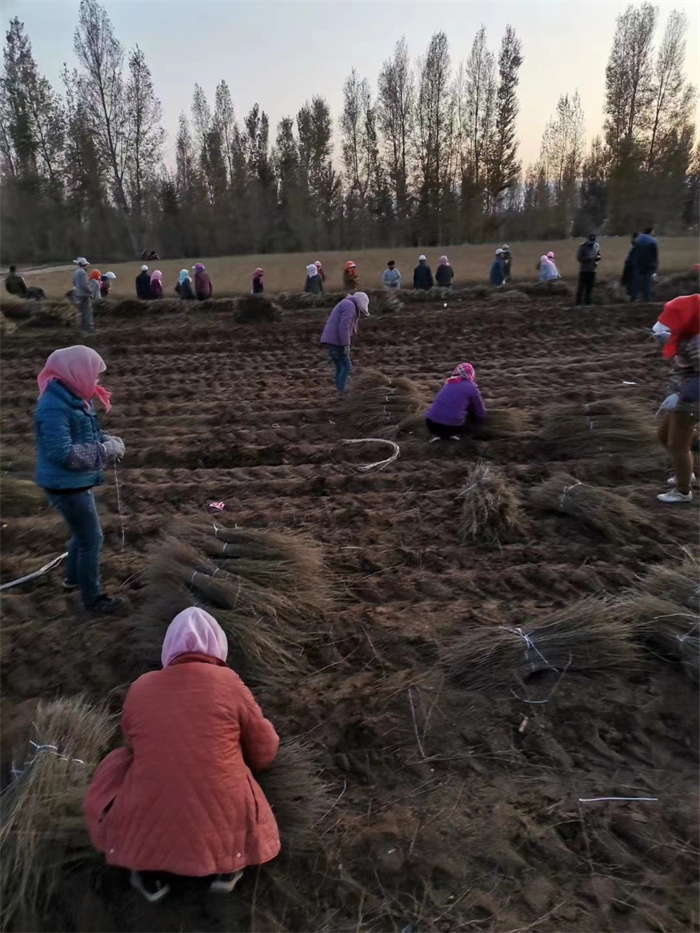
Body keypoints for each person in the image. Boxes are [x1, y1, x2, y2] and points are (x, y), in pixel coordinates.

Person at [84, 607, 280, 903]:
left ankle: (147, 872)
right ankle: (226, 870)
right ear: (218, 645)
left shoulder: (141, 686)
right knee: (231, 769)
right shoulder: (230, 683)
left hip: (148, 821)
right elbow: (264, 751)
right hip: (223, 815)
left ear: (168, 649)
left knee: (119, 760)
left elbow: (133, 744)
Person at [34, 346, 126, 615]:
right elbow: (62, 453)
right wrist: (104, 451)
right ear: (76, 372)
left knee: (81, 534)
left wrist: (105, 439)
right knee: (91, 539)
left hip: (73, 481)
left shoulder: (76, 398)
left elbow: (87, 432)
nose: (97, 381)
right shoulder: (53, 408)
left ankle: (72, 580)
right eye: (94, 375)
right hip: (65, 485)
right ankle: (93, 600)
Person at [652, 295, 700, 504]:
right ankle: (685, 472)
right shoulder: (686, 336)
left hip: (692, 400)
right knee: (664, 437)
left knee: (677, 445)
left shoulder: (696, 343)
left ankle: (682, 492)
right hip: (683, 394)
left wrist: (681, 395)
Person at [320, 291, 370, 400]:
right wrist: (346, 344)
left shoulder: (346, 303)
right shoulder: (349, 306)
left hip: (332, 340)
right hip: (336, 341)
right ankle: (342, 393)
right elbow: (344, 326)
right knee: (346, 366)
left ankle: (340, 391)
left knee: (340, 366)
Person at [425, 363, 487, 440]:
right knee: (471, 411)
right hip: (452, 427)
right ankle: (457, 435)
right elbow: (480, 410)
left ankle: (438, 434)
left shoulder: (449, 383)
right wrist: (482, 422)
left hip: (431, 424)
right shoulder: (471, 387)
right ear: (471, 374)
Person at [631, 226, 658, 302]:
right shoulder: (653, 241)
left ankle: (634, 298)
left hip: (638, 264)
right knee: (647, 283)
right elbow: (654, 255)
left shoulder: (638, 240)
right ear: (651, 232)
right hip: (649, 265)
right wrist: (655, 267)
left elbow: (634, 252)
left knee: (636, 282)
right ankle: (647, 298)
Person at [575, 232, 601, 305]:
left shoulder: (596, 246)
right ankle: (578, 302)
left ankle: (588, 302)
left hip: (593, 269)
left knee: (590, 287)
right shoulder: (582, 247)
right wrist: (589, 258)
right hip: (584, 270)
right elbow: (579, 258)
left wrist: (598, 257)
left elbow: (599, 254)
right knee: (581, 287)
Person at [72, 257, 94, 335]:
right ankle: (89, 328)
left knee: (81, 311)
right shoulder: (83, 273)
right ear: (84, 265)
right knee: (87, 312)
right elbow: (84, 285)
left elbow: (74, 282)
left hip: (78, 294)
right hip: (84, 295)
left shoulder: (76, 272)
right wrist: (90, 292)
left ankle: (82, 328)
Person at [620, 233, 638, 299]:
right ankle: (629, 292)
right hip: (630, 263)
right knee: (628, 278)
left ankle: (630, 293)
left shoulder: (635, 245)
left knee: (629, 279)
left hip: (631, 264)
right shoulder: (633, 244)